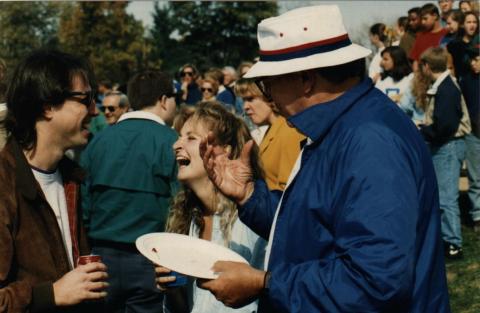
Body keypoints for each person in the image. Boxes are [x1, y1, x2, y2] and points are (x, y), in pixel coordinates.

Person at [198, 5, 450, 312]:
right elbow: (317, 226)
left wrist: (265, 283)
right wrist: (250, 196)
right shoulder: (344, 127)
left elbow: (376, 281)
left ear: (305, 79)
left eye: (268, 84)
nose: (268, 97)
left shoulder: (369, 141)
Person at [0, 49, 108, 312]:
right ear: (47, 106)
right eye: (85, 99)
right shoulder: (4, 184)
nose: (95, 110)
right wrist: (50, 295)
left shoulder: (71, 178)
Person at [81, 70, 179, 312]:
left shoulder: (99, 141)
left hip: (100, 259)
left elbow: (82, 205)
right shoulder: (172, 142)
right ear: (164, 100)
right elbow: (182, 205)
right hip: (152, 259)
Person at [156, 101, 266, 313]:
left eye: (190, 138)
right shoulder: (190, 217)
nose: (176, 145)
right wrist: (172, 288)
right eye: (179, 136)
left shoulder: (252, 219)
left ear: (224, 151)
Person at [417, 47, 471, 259]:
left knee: (447, 197)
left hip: (448, 146)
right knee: (443, 195)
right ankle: (447, 239)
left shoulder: (447, 89)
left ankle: (453, 244)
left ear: (427, 66)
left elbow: (445, 126)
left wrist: (422, 130)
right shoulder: (442, 86)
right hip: (445, 144)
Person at [234, 78, 305, 191]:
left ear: (267, 96)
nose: (245, 107)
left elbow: (288, 188)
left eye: (250, 99)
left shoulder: (289, 130)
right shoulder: (271, 129)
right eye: (243, 100)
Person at [410, 3, 449, 69]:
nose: (423, 22)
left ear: (435, 16)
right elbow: (415, 61)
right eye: (421, 19)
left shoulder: (447, 35)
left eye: (425, 19)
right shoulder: (420, 37)